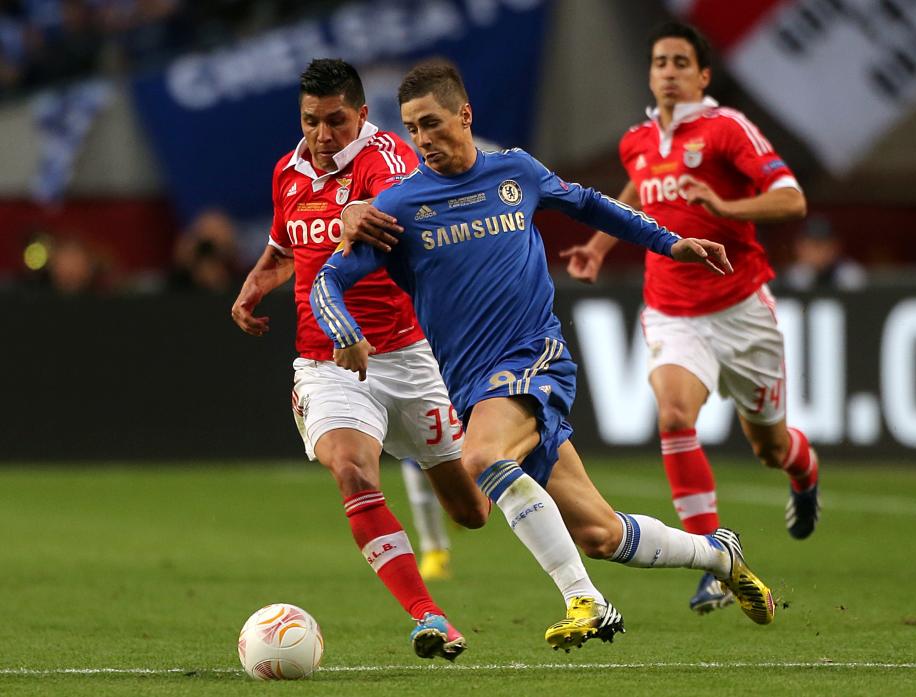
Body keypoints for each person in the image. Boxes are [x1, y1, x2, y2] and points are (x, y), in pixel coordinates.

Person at [315, 61, 777, 651]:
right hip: (471, 384)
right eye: (411, 129)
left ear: (465, 114)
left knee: (480, 456)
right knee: (601, 534)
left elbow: (588, 204)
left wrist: (668, 240)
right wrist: (344, 330)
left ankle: (586, 601)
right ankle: (719, 554)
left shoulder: (515, 171)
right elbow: (330, 280)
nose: (423, 139)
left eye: (431, 123)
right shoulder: (399, 208)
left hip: (533, 357)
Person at [230, 58, 490, 662]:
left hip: (405, 355)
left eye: (336, 122)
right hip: (327, 363)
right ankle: (430, 617)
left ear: (362, 115)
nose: (322, 137)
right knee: (352, 471)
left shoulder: (389, 158)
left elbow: (390, 210)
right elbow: (283, 249)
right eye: (311, 121)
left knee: (471, 510)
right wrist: (254, 284)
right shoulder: (287, 172)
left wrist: (356, 212)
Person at [560, 22, 819, 616]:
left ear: (703, 75)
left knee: (770, 446)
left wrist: (726, 207)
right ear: (650, 74)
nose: (668, 71)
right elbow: (637, 187)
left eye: (681, 62)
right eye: (659, 62)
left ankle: (803, 475)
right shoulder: (638, 140)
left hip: (740, 308)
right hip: (673, 310)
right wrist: (599, 247)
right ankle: (712, 561)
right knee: (674, 414)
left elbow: (791, 199)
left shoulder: (728, 130)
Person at [779, 215, 866, 292]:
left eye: (825, 245)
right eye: (813, 245)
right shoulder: (791, 278)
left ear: (836, 247)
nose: (819, 252)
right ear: (799, 248)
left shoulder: (850, 275)